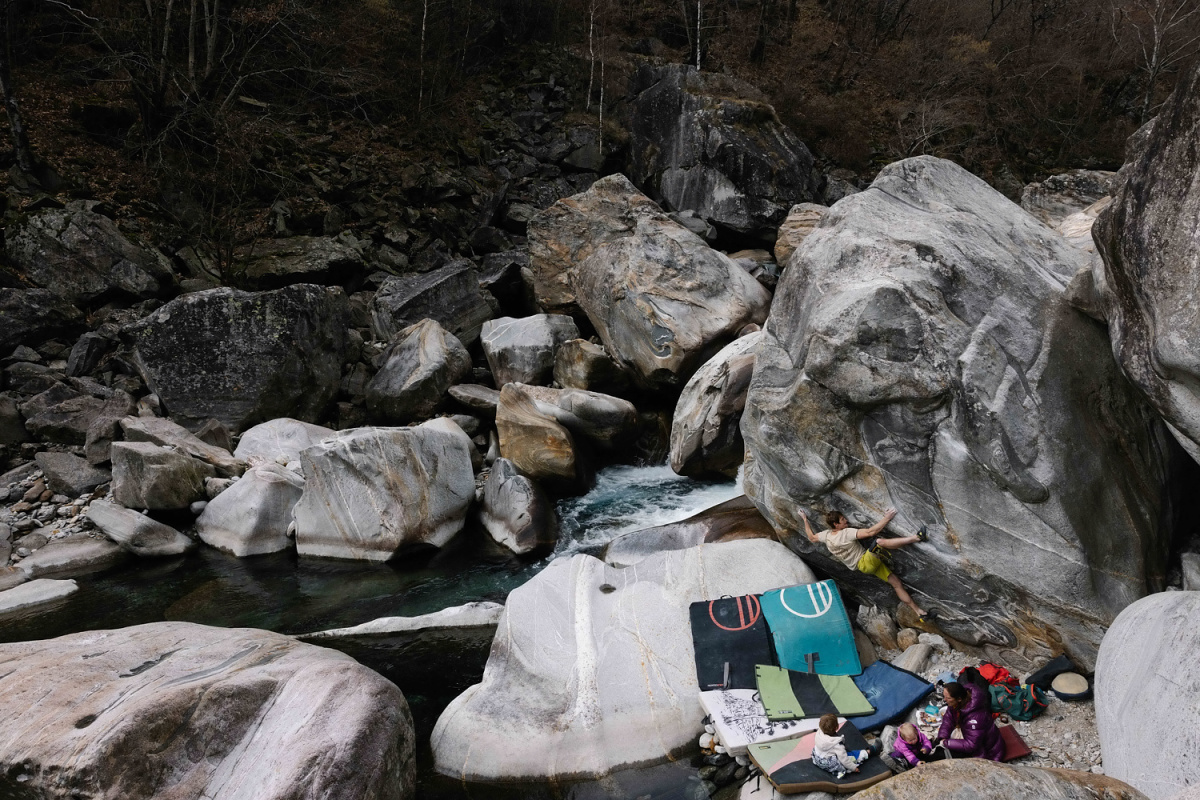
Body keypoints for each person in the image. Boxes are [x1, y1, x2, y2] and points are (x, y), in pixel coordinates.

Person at [800, 507, 927, 617]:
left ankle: (918, 611)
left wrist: (805, 519)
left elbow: (811, 537)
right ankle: (916, 538)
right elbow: (871, 532)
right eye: (843, 520)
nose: (846, 521)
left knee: (896, 583)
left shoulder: (826, 535)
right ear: (836, 524)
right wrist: (887, 517)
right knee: (878, 542)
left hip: (864, 567)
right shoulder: (846, 533)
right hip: (865, 561)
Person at [934, 681, 1004, 761]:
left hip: (987, 750)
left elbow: (972, 745)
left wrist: (947, 743)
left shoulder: (975, 718)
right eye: (944, 696)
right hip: (972, 737)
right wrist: (943, 736)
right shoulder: (956, 703)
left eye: (948, 698)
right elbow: (948, 719)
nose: (945, 700)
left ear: (959, 699)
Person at [811, 714, 869, 779]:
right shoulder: (837, 745)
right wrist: (853, 768)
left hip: (817, 758)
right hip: (829, 763)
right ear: (837, 727)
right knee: (854, 755)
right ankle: (870, 751)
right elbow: (844, 759)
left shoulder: (819, 732)